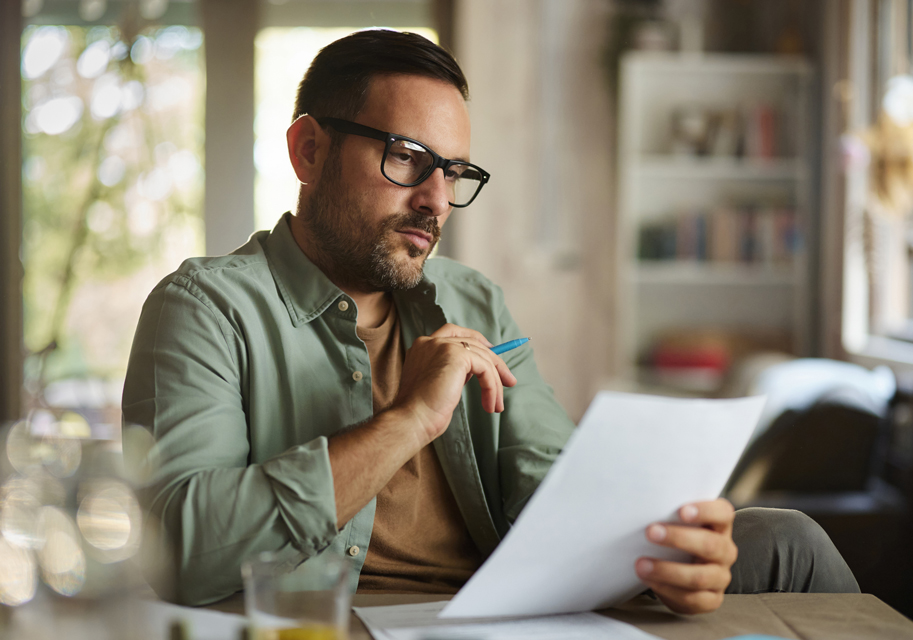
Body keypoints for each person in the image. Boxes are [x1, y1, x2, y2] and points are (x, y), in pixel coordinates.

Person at [124, 29, 858, 611]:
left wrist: (673, 552)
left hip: (512, 604)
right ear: (309, 150)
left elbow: (550, 483)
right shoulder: (205, 309)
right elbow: (178, 551)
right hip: (342, 617)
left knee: (789, 542)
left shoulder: (472, 300)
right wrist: (409, 420)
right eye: (408, 159)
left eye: (454, 172)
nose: (437, 201)